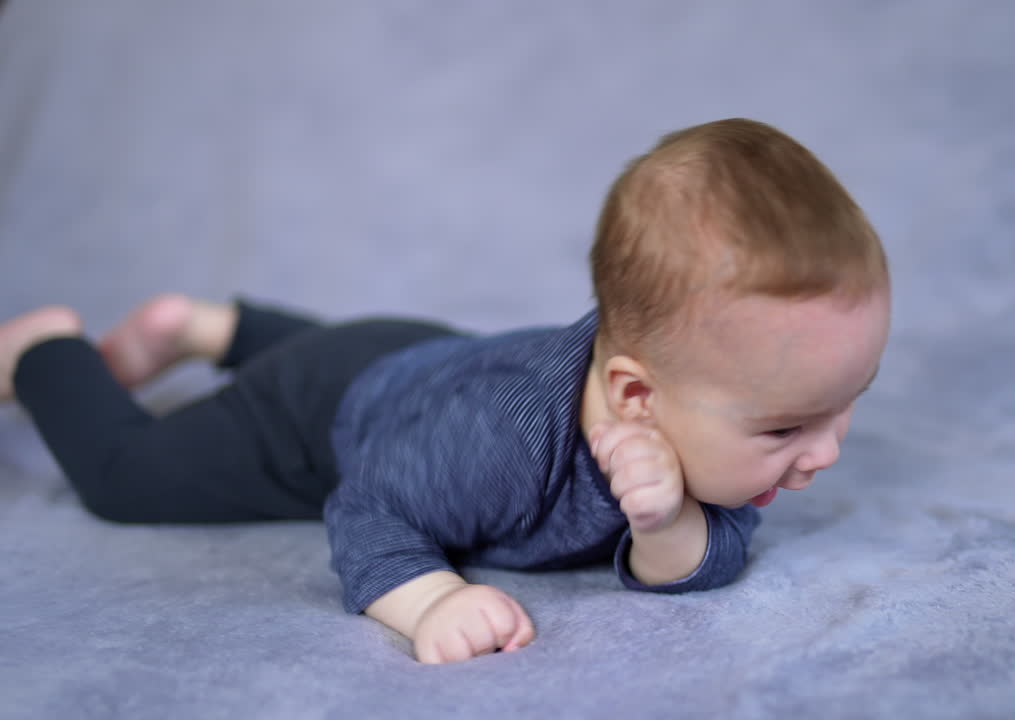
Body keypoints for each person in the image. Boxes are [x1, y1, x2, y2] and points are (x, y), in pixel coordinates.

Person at [0, 118, 891, 664]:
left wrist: (666, 525)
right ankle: (46, 353)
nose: (827, 451)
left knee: (403, 371)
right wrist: (430, 599)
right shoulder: (499, 442)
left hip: (426, 367)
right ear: (636, 396)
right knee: (128, 479)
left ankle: (208, 328)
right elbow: (368, 509)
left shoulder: (715, 415)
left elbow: (711, 560)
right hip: (326, 412)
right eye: (788, 429)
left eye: (846, 401)